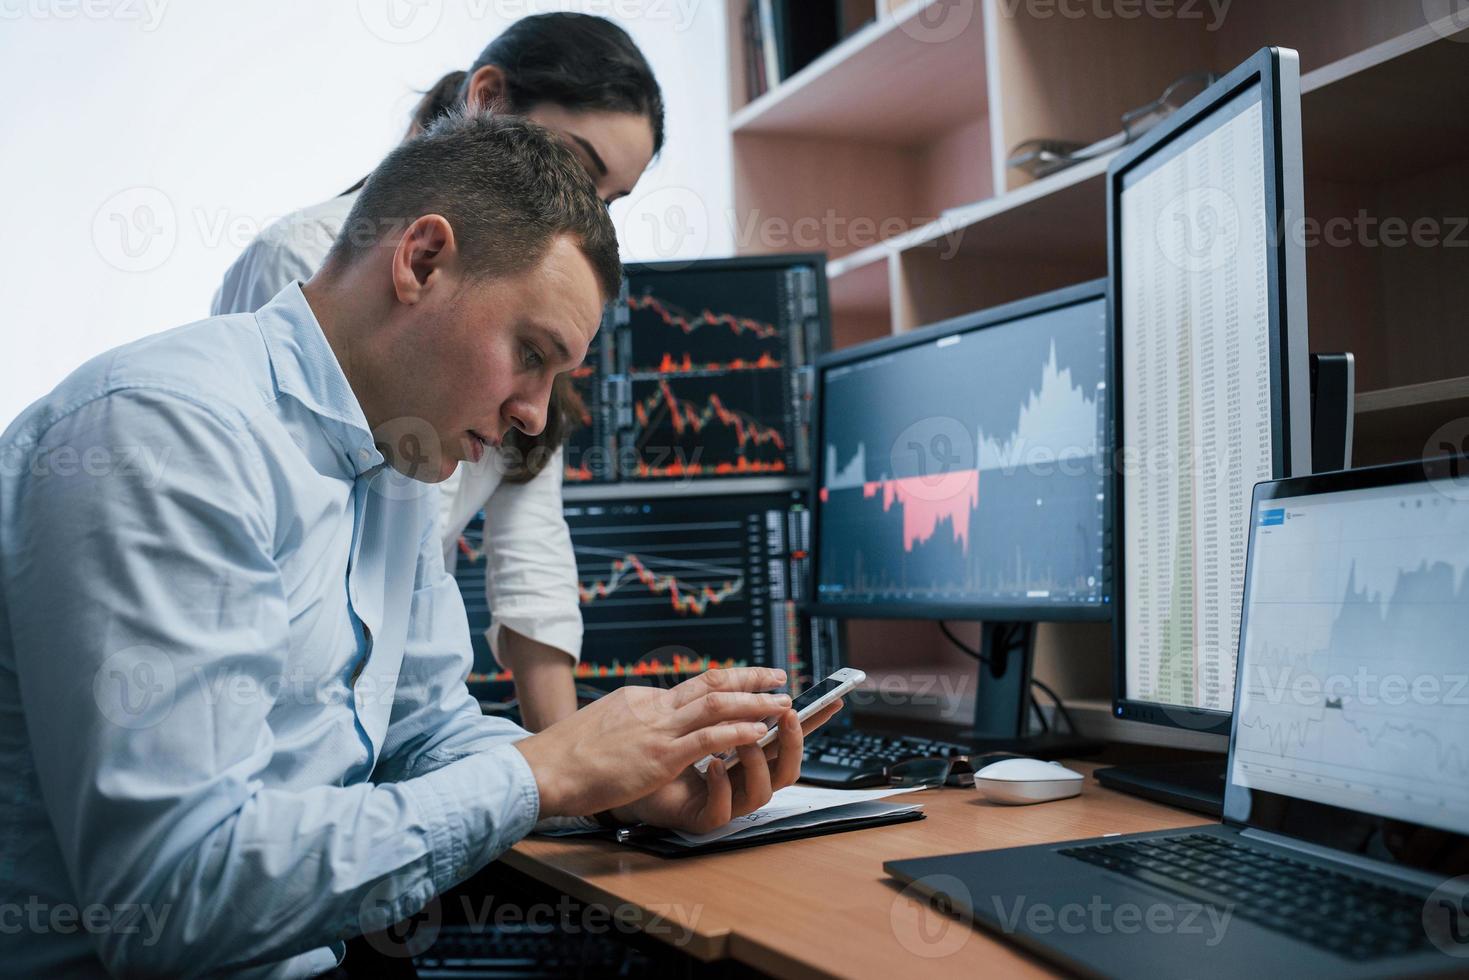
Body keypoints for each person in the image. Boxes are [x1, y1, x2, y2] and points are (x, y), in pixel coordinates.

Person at [0, 113, 837, 978]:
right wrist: (546, 773)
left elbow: (430, 734)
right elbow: (175, 900)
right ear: (421, 261)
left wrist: (613, 782)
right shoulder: (165, 438)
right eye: (530, 353)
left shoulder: (397, 466)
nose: (535, 416)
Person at [213, 13, 667, 732]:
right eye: (579, 167)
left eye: (608, 203)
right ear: (487, 99)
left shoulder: (526, 314)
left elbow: (528, 551)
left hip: (398, 707)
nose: (591, 216)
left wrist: (582, 765)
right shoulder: (303, 267)